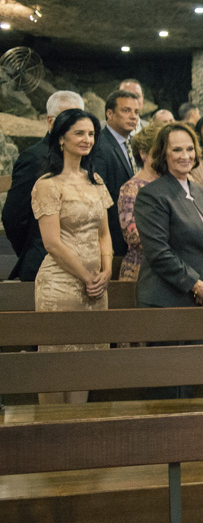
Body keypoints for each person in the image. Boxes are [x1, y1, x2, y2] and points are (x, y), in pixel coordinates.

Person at [31, 108, 114, 405]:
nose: (86, 139)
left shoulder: (96, 181)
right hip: (60, 284)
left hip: (96, 285)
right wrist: (86, 276)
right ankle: (51, 434)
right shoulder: (47, 184)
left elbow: (104, 234)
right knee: (56, 362)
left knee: (87, 362)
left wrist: (106, 272)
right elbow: (52, 242)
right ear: (61, 138)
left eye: (91, 134)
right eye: (79, 133)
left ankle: (79, 425)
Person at [134, 123, 203, 308]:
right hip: (165, 300)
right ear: (163, 155)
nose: (185, 156)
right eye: (177, 150)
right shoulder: (152, 194)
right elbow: (158, 252)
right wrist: (195, 285)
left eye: (190, 149)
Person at [3, 90, 84, 281]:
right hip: (44, 262)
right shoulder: (35, 158)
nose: (75, 126)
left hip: (82, 260)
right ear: (50, 121)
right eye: (68, 119)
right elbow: (13, 216)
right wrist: (32, 249)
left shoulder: (85, 158)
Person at [92, 89, 141, 256]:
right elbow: (100, 196)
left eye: (136, 112)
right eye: (126, 110)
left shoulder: (134, 145)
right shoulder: (100, 146)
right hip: (112, 236)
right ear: (110, 114)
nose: (133, 116)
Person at [116, 122, 162, 280]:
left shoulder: (174, 182)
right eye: (159, 151)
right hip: (141, 270)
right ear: (143, 153)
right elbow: (132, 234)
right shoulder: (132, 188)